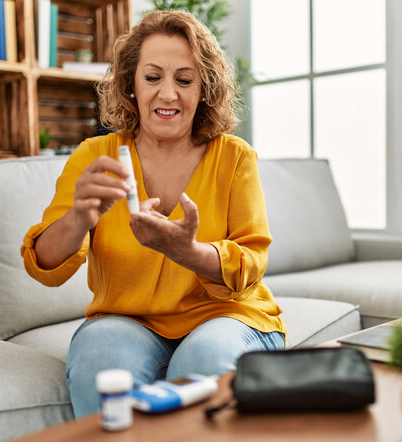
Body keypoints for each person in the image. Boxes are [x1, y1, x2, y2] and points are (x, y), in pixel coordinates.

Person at [20, 10, 285, 418]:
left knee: (201, 364)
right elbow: (45, 266)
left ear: (204, 89)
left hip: (227, 316)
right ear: (130, 85)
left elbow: (252, 262)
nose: (167, 94)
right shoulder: (96, 155)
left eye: (184, 79)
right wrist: (79, 216)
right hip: (126, 319)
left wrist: (188, 252)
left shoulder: (234, 157)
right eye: (152, 77)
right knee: (99, 363)